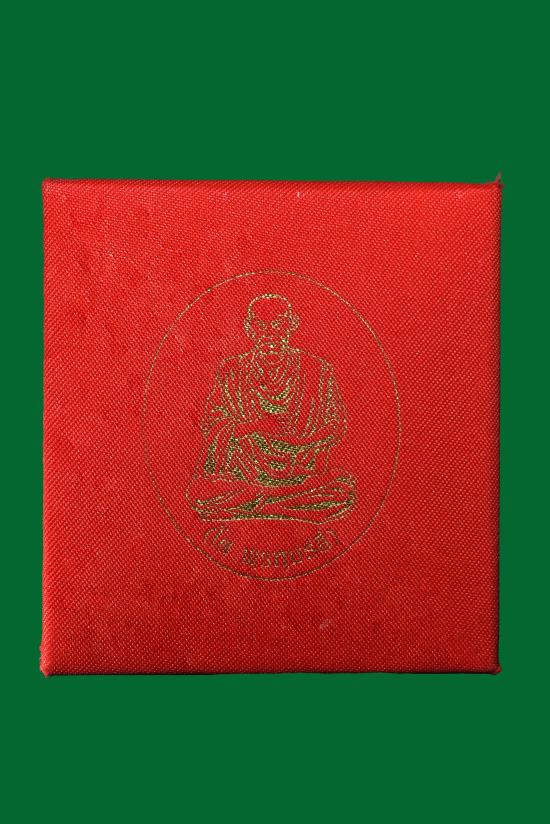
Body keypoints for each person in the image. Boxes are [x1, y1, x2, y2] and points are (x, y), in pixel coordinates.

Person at [186, 294, 356, 522]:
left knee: (342, 493)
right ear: (250, 328)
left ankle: (267, 503)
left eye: (278, 325)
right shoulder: (232, 370)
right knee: (200, 494)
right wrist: (256, 427)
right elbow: (213, 423)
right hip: (247, 476)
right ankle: (288, 502)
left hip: (303, 472)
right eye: (261, 325)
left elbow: (335, 425)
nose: (270, 334)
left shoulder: (317, 370)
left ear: (292, 325)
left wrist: (302, 443)